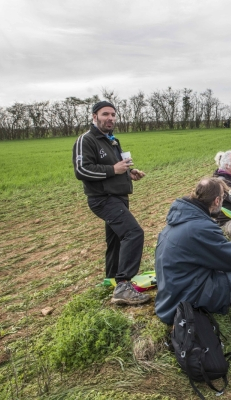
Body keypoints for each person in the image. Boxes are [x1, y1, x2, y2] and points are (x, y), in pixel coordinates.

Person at [154, 177, 231, 341]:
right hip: (184, 299)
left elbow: (217, 256)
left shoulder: (181, 217)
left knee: (221, 265)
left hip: (171, 295)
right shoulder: (201, 226)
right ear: (217, 200)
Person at [72, 101, 150, 305]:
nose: (111, 118)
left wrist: (128, 172)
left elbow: (114, 167)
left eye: (113, 115)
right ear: (94, 117)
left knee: (116, 240)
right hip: (103, 199)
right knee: (133, 233)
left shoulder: (112, 140)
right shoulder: (86, 140)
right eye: (105, 114)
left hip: (118, 197)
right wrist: (113, 170)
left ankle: (111, 280)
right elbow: (82, 170)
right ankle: (123, 285)